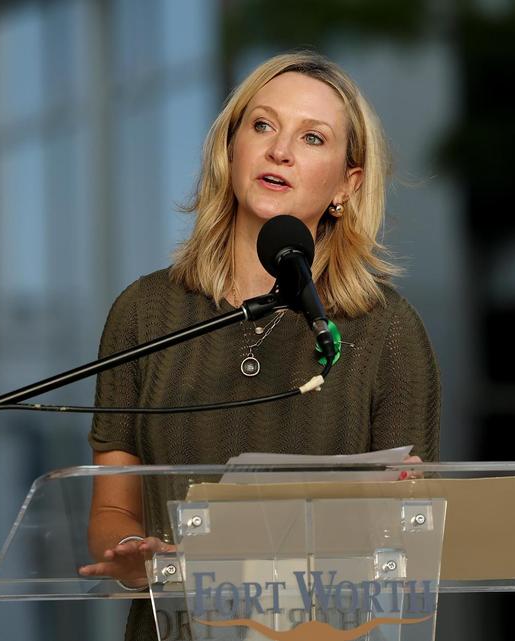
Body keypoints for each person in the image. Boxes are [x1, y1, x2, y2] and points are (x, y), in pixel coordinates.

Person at [79, 50, 440, 640]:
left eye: (313, 138)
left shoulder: (386, 328)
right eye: (263, 125)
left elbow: (408, 529)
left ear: (347, 184)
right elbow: (111, 511)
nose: (281, 151)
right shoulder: (144, 313)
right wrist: (130, 551)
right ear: (231, 148)